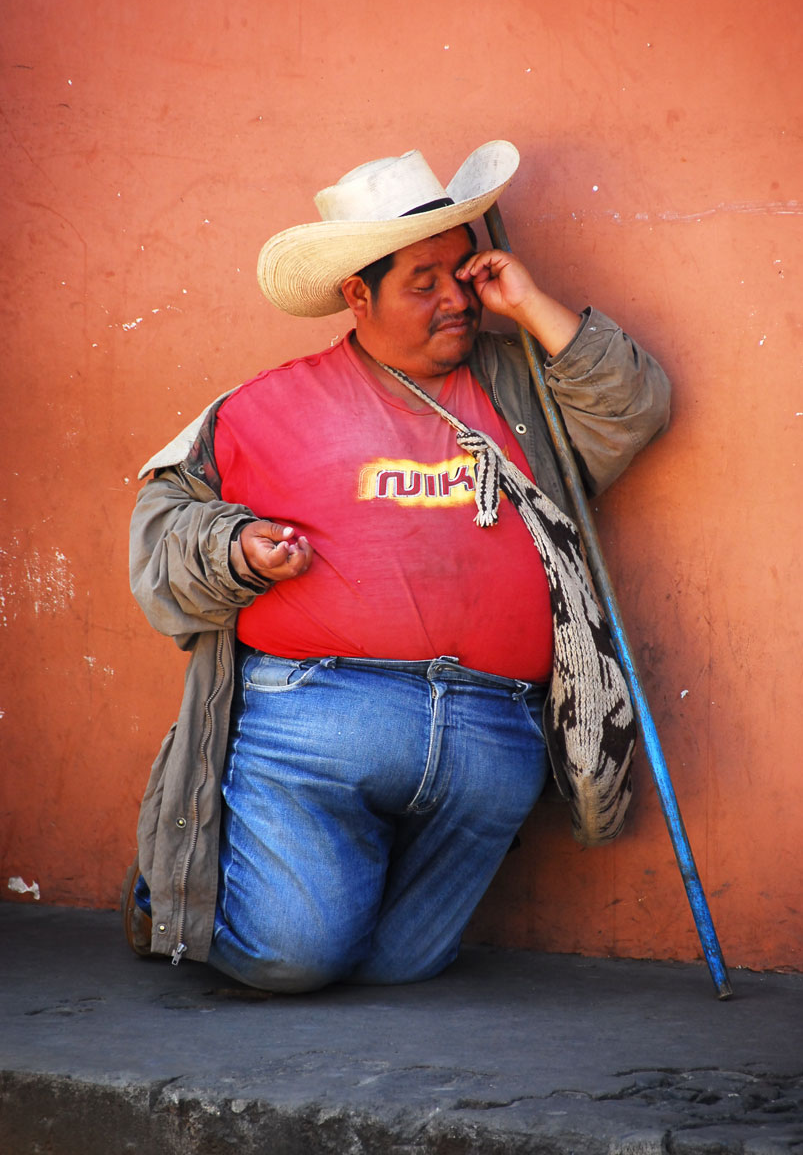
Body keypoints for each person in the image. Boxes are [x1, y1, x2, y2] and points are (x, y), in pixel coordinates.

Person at [123, 139, 670, 992]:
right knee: (295, 959)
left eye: (463, 272)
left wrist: (527, 302)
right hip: (316, 717)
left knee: (401, 967)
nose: (456, 299)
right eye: (423, 282)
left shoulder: (526, 390)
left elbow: (635, 408)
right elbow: (161, 540)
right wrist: (238, 550)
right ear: (356, 293)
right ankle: (176, 896)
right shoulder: (260, 405)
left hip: (493, 730)